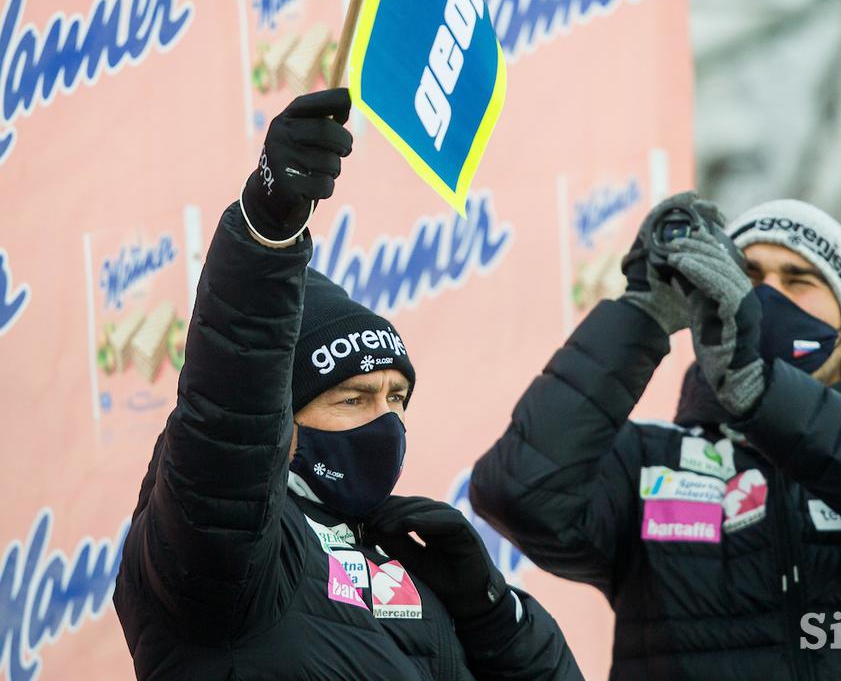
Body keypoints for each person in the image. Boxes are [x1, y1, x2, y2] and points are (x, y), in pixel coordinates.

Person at [114, 88, 582, 681]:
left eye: (396, 398)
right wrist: (268, 227)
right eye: (353, 398)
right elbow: (230, 419)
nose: (385, 422)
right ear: (282, 417)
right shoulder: (228, 555)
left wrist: (495, 613)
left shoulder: (406, 563)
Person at [470, 191, 841, 680]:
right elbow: (516, 494)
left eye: (798, 279)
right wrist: (643, 315)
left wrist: (761, 392)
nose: (768, 295)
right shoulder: (649, 461)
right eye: (749, 275)